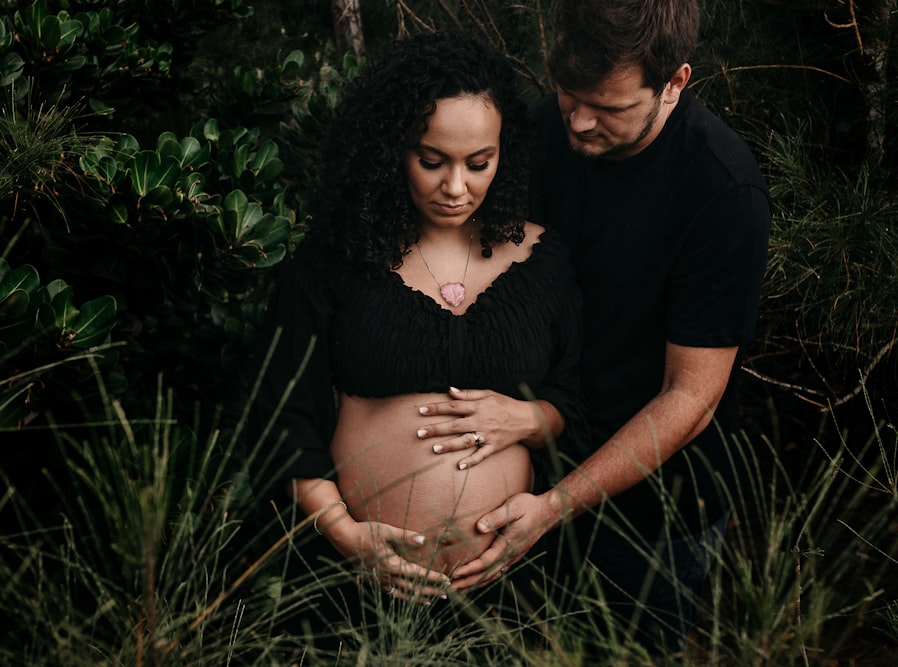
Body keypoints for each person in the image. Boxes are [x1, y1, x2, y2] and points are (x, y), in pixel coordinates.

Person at [429, 0, 772, 654]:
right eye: (570, 94)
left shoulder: (722, 192)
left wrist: (555, 507)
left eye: (608, 108)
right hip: (530, 466)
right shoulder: (543, 130)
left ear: (675, 82)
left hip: (657, 512)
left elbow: (691, 398)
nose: (580, 121)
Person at [245, 31, 585, 617]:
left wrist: (530, 418)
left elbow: (576, 398)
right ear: (391, 151)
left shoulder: (542, 259)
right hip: (355, 591)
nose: (456, 187)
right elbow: (280, 415)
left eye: (480, 163)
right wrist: (344, 535)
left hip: (510, 588)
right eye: (432, 161)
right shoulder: (333, 264)